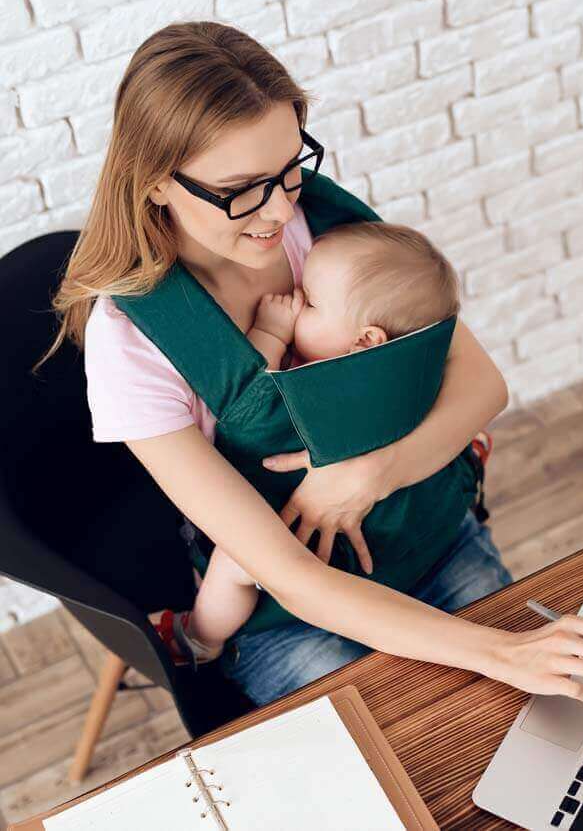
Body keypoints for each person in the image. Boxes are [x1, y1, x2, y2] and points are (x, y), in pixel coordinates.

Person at [37, 21, 583, 708]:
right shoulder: (132, 346)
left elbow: (480, 382)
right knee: (404, 746)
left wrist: (365, 475)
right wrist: (501, 651)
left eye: (291, 167)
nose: (280, 207)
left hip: (420, 530)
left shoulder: (317, 225)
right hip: (288, 605)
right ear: (155, 183)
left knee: (551, 713)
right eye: (242, 189)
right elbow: (289, 573)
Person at [160, 219, 483, 665]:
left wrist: (271, 333)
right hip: (396, 543)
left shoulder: (308, 384)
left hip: (306, 554)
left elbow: (250, 394)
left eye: (309, 302)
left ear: (364, 340)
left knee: (233, 566)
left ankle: (199, 639)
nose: (293, 302)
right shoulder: (416, 373)